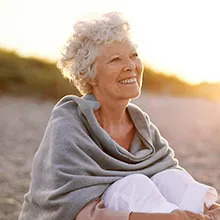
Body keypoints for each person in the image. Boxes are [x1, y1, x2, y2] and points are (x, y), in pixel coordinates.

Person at [19, 12, 220, 220]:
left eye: (133, 56)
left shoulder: (143, 127)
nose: (131, 66)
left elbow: (175, 184)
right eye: (115, 59)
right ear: (87, 74)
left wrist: (210, 211)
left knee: (171, 178)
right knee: (134, 184)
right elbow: (77, 211)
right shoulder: (69, 124)